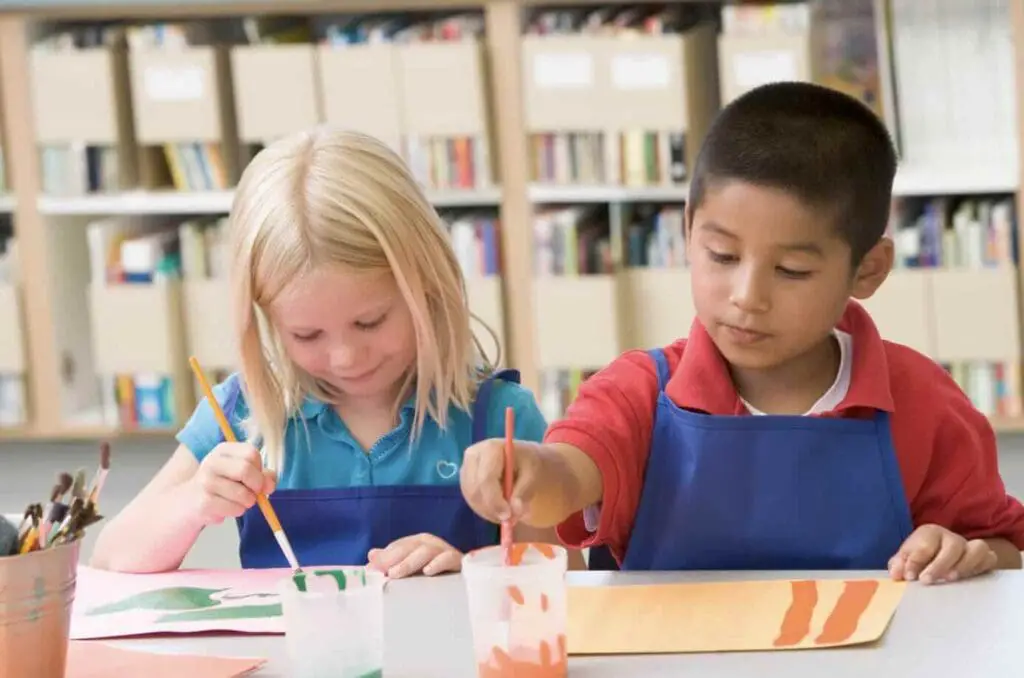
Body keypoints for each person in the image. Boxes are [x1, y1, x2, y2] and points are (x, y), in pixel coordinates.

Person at [461, 81, 1024, 585]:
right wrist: (530, 470)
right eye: (722, 254)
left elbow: (1003, 550)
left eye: (792, 271)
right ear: (687, 230)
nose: (747, 296)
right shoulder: (639, 391)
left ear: (868, 269)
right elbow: (570, 473)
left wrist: (963, 554)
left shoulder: (924, 404)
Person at [91, 128, 578, 576]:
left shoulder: (499, 418)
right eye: (306, 335)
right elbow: (112, 560)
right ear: (265, 318)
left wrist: (472, 572)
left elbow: (564, 583)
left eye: (370, 322)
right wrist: (195, 501)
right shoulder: (243, 414)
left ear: (427, 285)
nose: (345, 357)